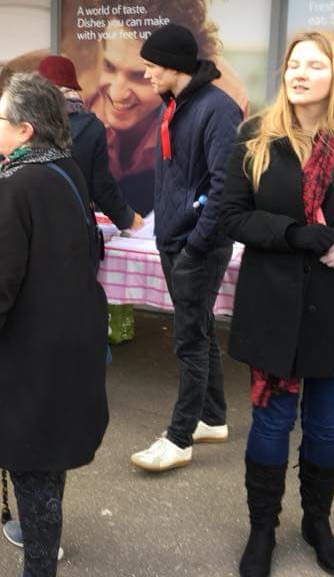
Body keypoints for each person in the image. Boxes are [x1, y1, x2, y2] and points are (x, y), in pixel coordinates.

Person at [220, 31, 334, 577]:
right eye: (293, 64)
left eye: (314, 65)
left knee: (326, 427)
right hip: (273, 304)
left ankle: (317, 523)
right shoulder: (257, 134)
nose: (299, 74)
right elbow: (231, 215)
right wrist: (293, 233)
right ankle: (262, 530)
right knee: (272, 425)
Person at [0, 72, 109, 577]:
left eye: (0, 120)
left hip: (27, 350)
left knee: (31, 459)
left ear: (26, 130)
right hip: (67, 340)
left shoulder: (16, 185)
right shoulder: (64, 170)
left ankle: (40, 561)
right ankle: (42, 538)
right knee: (47, 455)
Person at [129, 23, 242, 473]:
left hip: (197, 246)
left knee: (188, 339)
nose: (147, 76)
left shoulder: (217, 110)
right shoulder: (176, 103)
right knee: (196, 330)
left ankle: (179, 438)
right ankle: (211, 418)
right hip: (176, 240)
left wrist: (196, 245)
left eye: (151, 67)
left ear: (175, 67)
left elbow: (224, 186)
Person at [66, 0, 248, 215]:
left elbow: (219, 191)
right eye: (109, 66)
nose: (118, 92)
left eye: (140, 75)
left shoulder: (217, 103)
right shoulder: (74, 93)